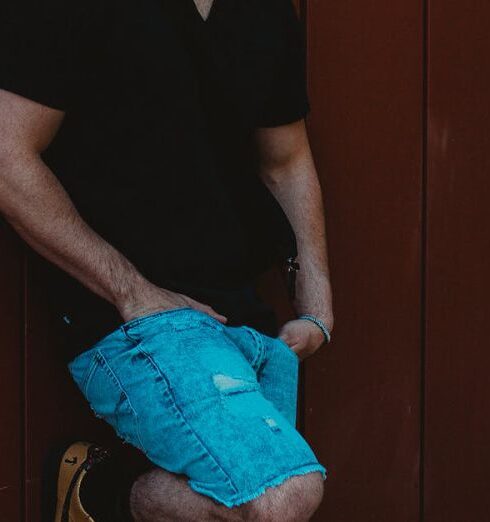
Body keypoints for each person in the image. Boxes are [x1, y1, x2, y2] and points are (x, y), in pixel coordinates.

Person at [0, 0, 334, 519]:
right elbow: (5, 153)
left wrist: (317, 305)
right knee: (280, 494)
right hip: (132, 319)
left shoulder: (263, 9)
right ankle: (108, 499)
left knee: (257, 501)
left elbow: (285, 159)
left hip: (243, 320)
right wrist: (131, 291)